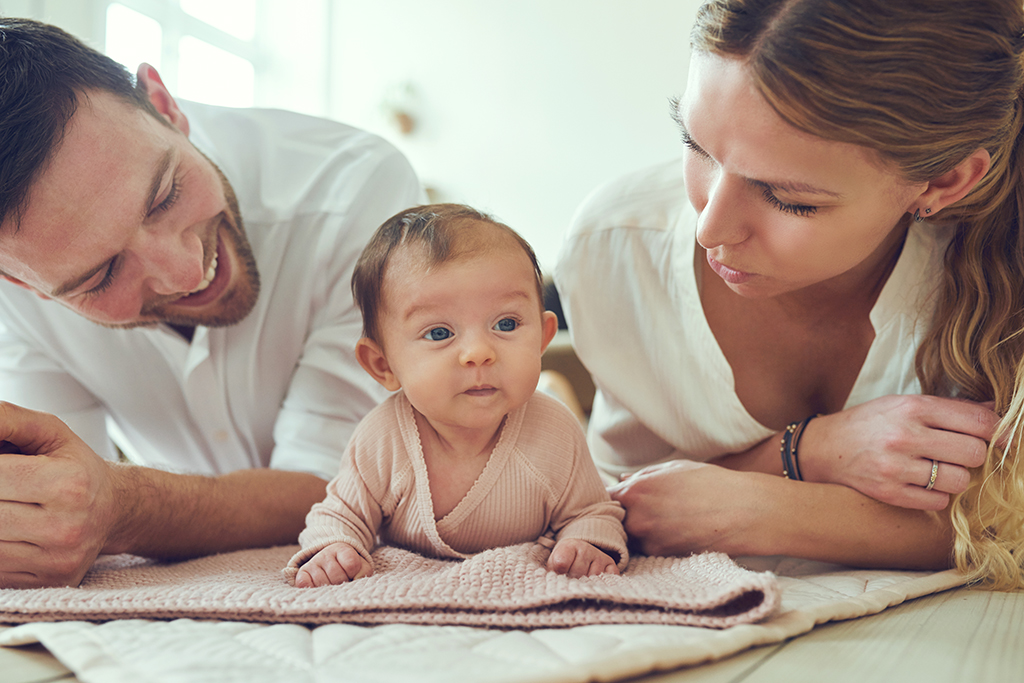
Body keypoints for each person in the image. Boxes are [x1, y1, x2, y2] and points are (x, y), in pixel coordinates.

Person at [555, 0, 1024, 590]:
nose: (710, 230)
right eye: (695, 146)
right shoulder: (615, 250)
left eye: (788, 197)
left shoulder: (1002, 268)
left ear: (943, 182)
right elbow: (622, 511)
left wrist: (763, 508)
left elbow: (1011, 526)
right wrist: (813, 451)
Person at [0, 18, 422, 588]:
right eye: (100, 276)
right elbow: (54, 495)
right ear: (19, 282)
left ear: (164, 104)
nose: (187, 272)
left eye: (165, 195)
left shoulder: (354, 189)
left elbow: (338, 486)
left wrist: (123, 505)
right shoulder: (18, 291)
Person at [286, 204, 627, 587]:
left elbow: (593, 511)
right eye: (439, 333)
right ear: (383, 365)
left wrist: (586, 541)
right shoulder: (382, 439)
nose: (478, 352)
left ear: (543, 338)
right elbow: (339, 515)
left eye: (506, 324)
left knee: (556, 405)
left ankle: (551, 386)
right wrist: (333, 548)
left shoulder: (554, 433)